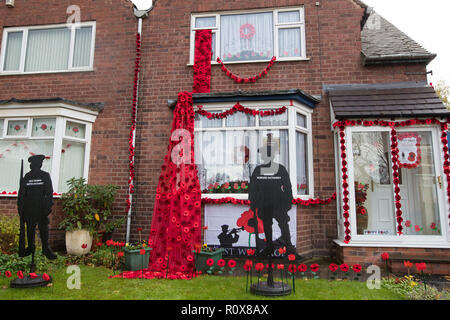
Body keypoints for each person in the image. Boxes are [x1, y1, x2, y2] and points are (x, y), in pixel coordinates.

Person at [248, 137, 298, 257]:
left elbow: (287, 187)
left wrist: (287, 202)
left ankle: (289, 248)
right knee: (266, 226)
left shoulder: (280, 169)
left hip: (278, 203)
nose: (263, 157)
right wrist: (253, 203)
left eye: (265, 155)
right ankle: (269, 247)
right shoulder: (258, 170)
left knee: (283, 225)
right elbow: (253, 188)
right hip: (264, 203)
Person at [17, 154, 57, 260]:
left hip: (41, 208)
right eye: (35, 163)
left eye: (39, 163)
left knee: (43, 229)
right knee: (30, 230)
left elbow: (49, 193)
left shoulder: (45, 176)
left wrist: (47, 207)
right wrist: (20, 208)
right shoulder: (27, 177)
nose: (38, 165)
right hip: (29, 209)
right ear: (32, 165)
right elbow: (21, 194)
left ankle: (45, 248)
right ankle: (30, 247)